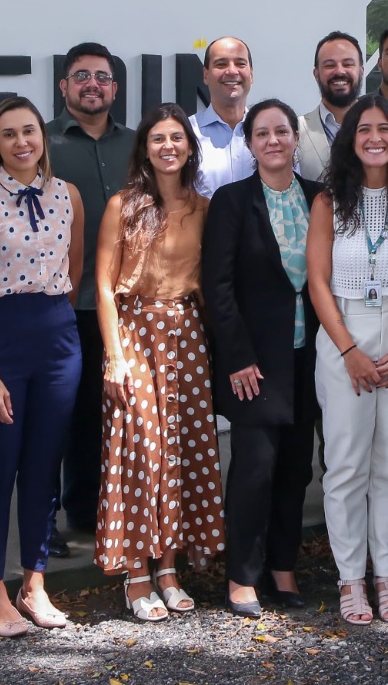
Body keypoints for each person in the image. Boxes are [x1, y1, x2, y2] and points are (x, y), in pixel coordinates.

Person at [0, 97, 86, 635]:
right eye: (8, 134)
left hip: (58, 338)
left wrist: (52, 322)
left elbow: (73, 270)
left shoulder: (67, 195)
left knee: (43, 467)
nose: (21, 142)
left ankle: (34, 583)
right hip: (2, 340)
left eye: (28, 131)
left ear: (43, 136)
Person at [94, 104, 223, 622]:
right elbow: (103, 285)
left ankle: (169, 568)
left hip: (187, 335)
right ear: (144, 149)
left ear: (190, 148)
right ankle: (137, 571)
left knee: (183, 449)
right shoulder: (122, 205)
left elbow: (212, 285)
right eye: (157, 139)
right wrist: (116, 358)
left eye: (177, 138)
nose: (168, 146)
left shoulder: (204, 207)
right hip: (135, 332)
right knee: (141, 451)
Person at [308, 94, 388, 625]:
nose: (375, 137)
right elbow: (317, 283)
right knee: (346, 465)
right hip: (346, 332)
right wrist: (350, 350)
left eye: (384, 129)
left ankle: (387, 574)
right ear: (350, 140)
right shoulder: (329, 201)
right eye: (364, 130)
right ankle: (350, 580)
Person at [203, 99, 324, 618]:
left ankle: (282, 566)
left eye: (282, 131)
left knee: (296, 469)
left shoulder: (320, 199)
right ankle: (242, 576)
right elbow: (218, 286)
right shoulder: (232, 201)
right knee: (255, 467)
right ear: (250, 145)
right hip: (253, 361)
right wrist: (237, 357)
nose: (273, 140)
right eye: (262, 133)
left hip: (309, 357)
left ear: (295, 139)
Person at [46, 42, 136, 557]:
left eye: (101, 77)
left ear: (114, 88)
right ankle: (53, 519)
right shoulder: (47, 144)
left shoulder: (136, 144)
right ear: (64, 87)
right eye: (81, 76)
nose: (92, 85)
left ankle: (102, 510)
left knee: (116, 414)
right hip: (68, 301)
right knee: (65, 416)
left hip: (127, 304)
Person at [192, 36, 256, 198]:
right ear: (205, 75)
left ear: (251, 74)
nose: (232, 71)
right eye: (221, 64)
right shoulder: (187, 133)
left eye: (241, 64)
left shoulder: (273, 135)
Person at [298, 31, 363, 183]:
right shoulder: (296, 130)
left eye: (348, 64)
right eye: (329, 65)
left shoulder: (381, 128)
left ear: (361, 71)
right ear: (316, 74)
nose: (339, 71)